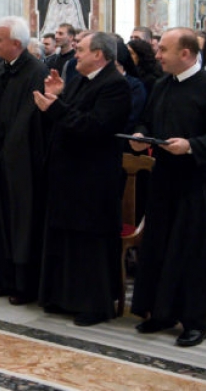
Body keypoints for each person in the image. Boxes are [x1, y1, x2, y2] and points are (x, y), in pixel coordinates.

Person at [129, 28, 206, 347]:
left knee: (193, 255)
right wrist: (139, 137)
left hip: (196, 184)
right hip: (163, 181)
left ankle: (196, 321)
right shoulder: (162, 85)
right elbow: (147, 122)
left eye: (163, 49)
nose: (157, 54)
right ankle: (161, 313)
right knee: (159, 249)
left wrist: (189, 145)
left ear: (185, 54)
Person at [33, 32, 131, 326]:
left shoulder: (115, 85)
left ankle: (94, 303)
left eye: (81, 50)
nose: (75, 54)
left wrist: (56, 107)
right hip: (69, 175)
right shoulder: (78, 79)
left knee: (90, 243)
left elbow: (95, 127)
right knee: (65, 237)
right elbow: (69, 117)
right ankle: (64, 296)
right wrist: (58, 97)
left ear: (99, 55)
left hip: (94, 178)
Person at [0, 16, 48, 305]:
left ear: (16, 44)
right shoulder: (2, 70)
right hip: (3, 155)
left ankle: (24, 285)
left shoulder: (36, 71)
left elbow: (25, 121)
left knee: (21, 224)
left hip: (23, 163)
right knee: (1, 222)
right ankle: (4, 277)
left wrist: (5, 154)